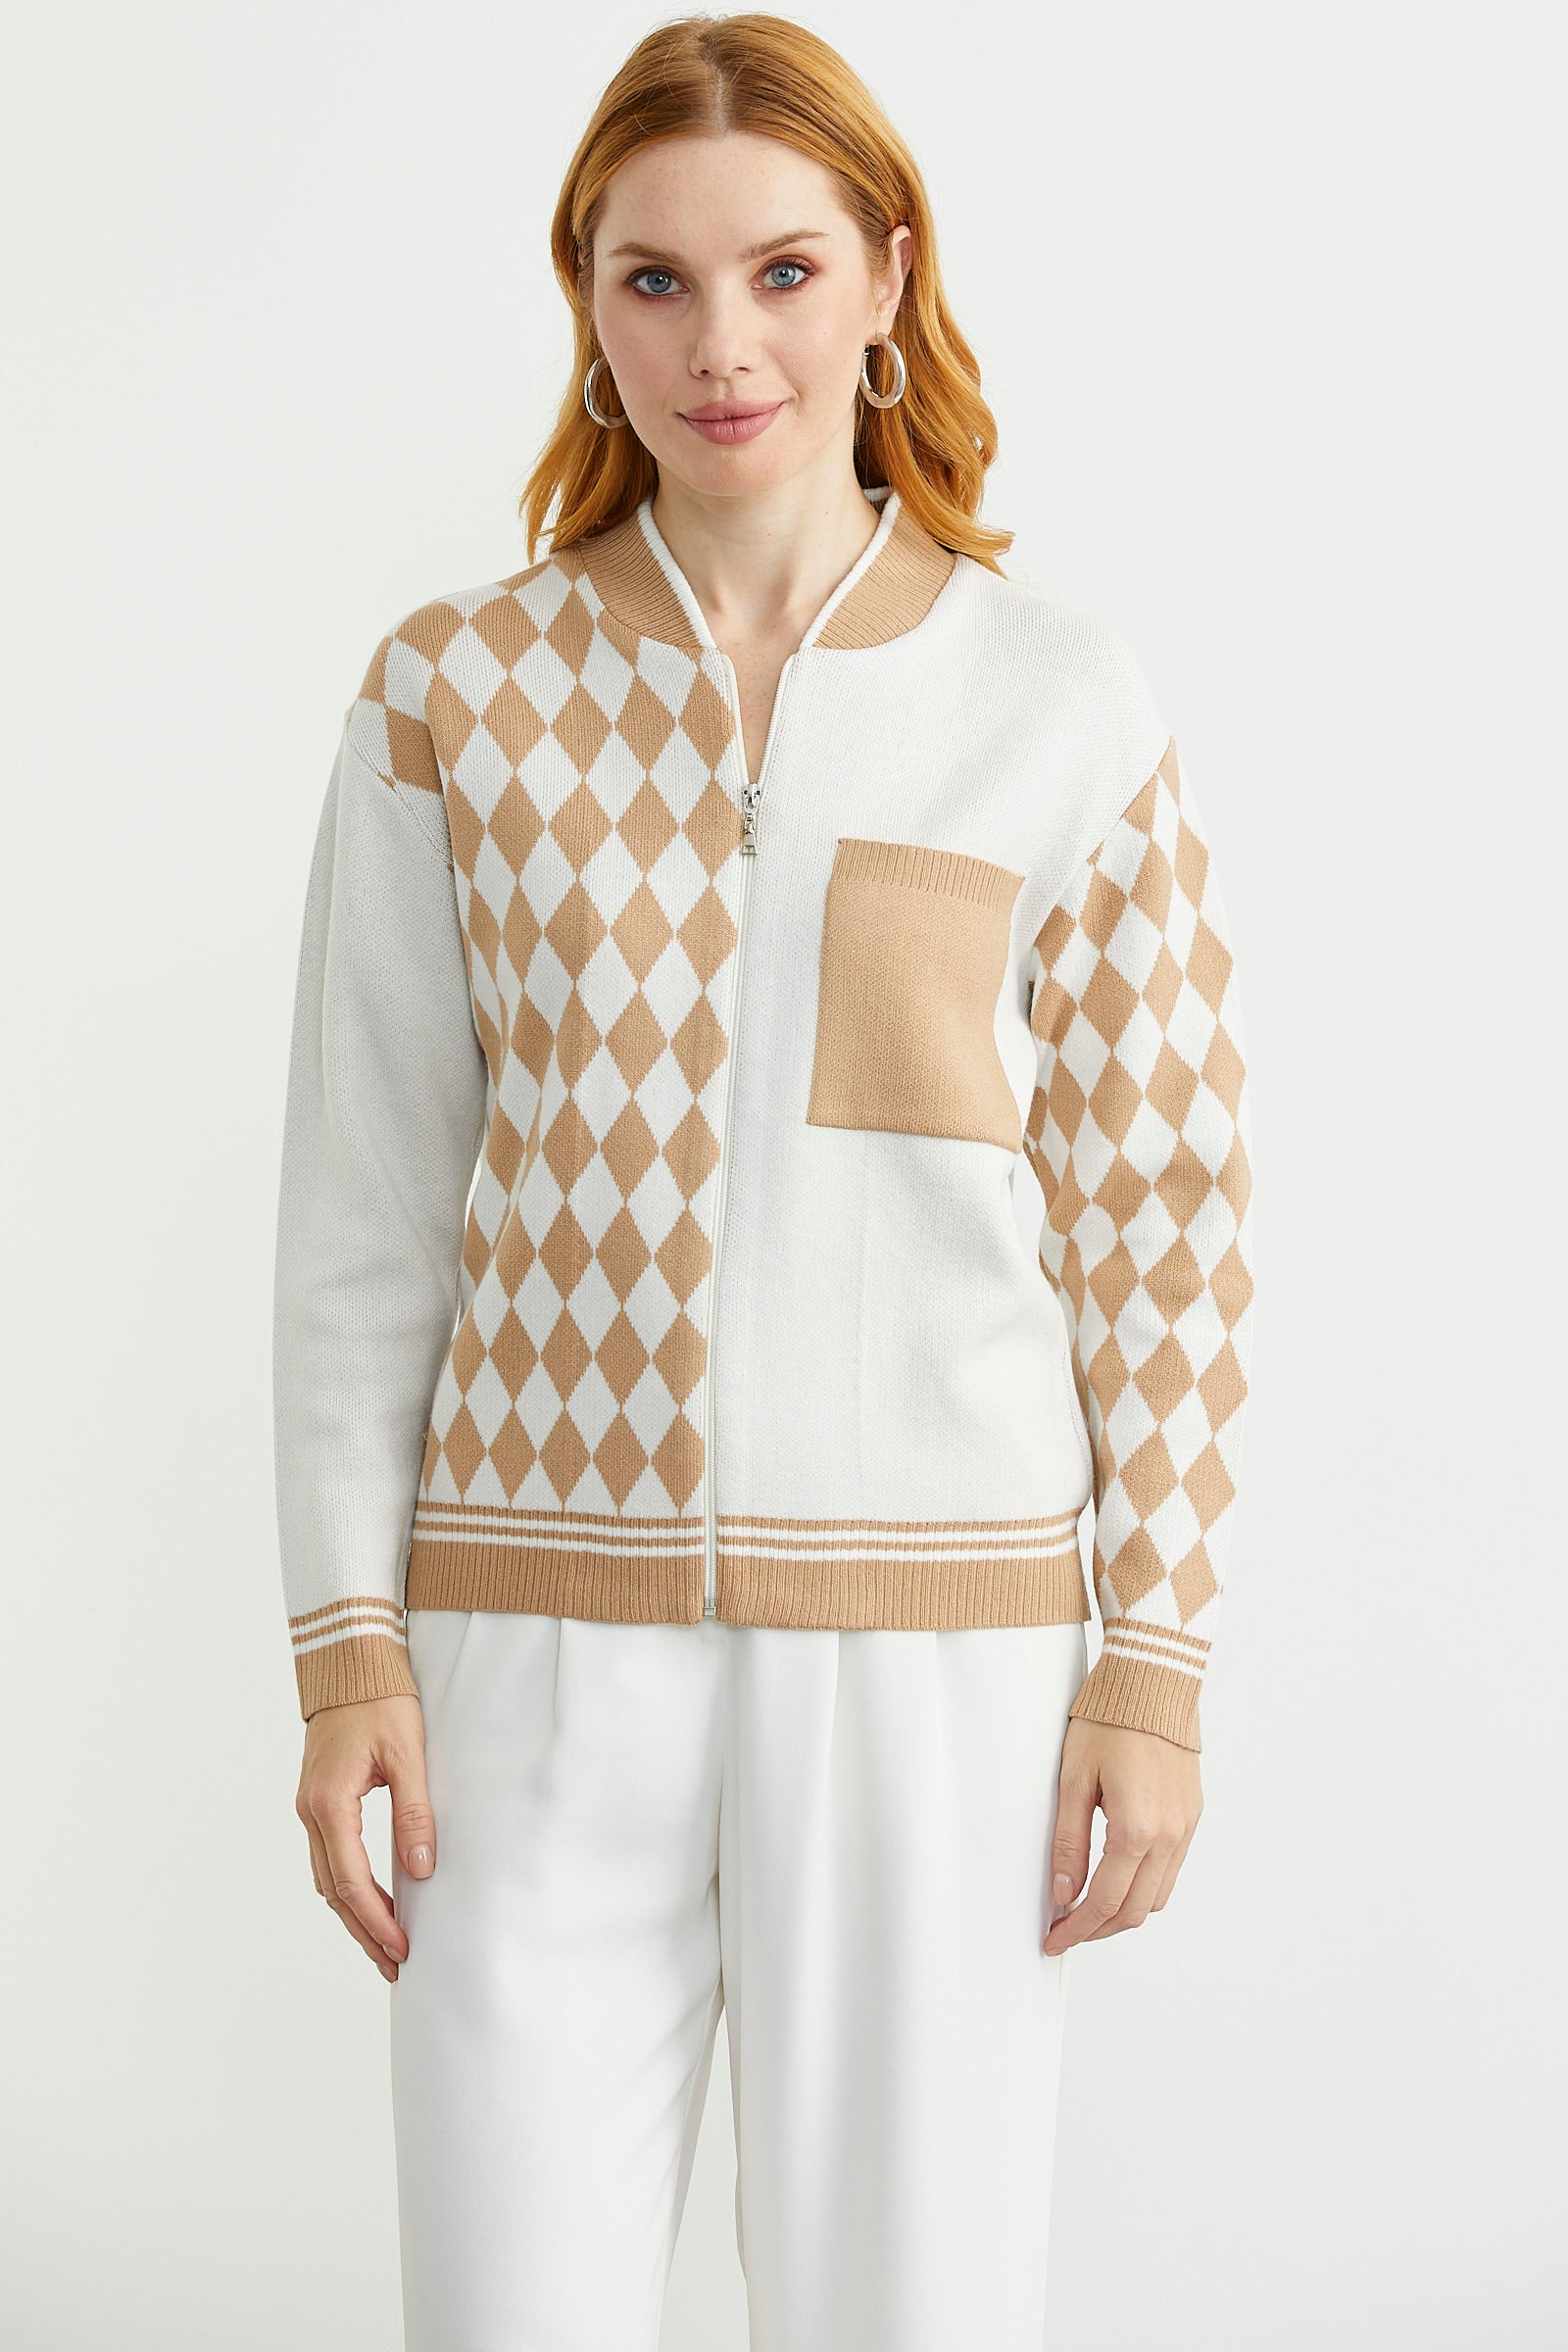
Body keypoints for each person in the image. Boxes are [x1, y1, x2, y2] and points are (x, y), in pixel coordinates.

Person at [272, 16, 1255, 2349]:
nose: (722, 344)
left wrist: (1151, 1667)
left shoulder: (1055, 701)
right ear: (586, 302)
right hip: (527, 1660)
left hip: (938, 1668)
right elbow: (364, 1219)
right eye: (654, 281)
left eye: (783, 272)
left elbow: (1163, 1216)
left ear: (884, 279)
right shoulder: (452, 698)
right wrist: (346, 1644)